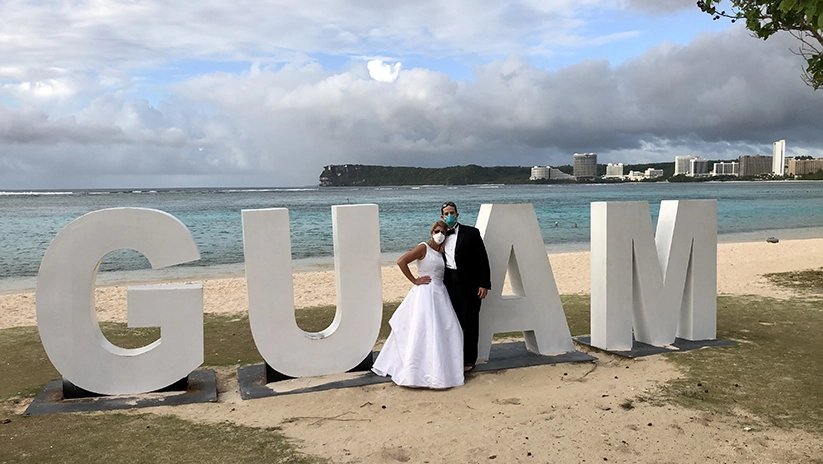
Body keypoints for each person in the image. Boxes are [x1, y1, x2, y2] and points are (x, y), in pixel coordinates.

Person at [371, 220, 465, 389]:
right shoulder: (423, 248)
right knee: (422, 330)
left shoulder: (442, 253)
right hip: (425, 294)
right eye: (436, 231)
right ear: (431, 232)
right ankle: (415, 373)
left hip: (440, 294)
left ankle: (443, 370)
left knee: (449, 329)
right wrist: (415, 280)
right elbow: (401, 261)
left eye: (443, 232)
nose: (440, 234)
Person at [440, 201, 491, 372]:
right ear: (441, 216)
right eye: (446, 213)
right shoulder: (438, 235)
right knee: (451, 322)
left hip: (469, 285)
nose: (449, 216)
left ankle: (469, 360)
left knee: (470, 323)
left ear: (457, 214)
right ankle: (452, 358)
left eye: (452, 212)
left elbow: (482, 260)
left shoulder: (471, 233)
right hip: (448, 285)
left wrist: (484, 284)